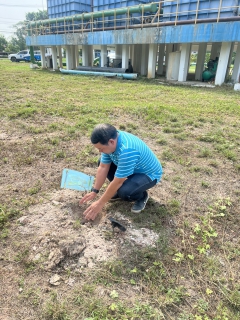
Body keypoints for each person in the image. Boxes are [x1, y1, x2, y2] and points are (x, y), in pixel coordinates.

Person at [80, 124, 163, 220]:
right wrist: (95, 191)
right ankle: (120, 189)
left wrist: (99, 204)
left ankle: (142, 196)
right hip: (133, 167)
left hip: (148, 174)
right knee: (101, 162)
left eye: (101, 148)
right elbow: (103, 167)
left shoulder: (127, 151)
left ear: (111, 142)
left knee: (125, 192)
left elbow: (118, 181)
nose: (100, 151)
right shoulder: (111, 140)